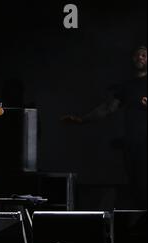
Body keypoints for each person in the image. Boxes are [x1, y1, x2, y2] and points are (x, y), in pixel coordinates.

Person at [62, 46, 147, 209]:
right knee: (136, 187)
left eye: (144, 55)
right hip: (132, 146)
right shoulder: (127, 86)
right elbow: (107, 108)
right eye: (136, 55)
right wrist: (81, 119)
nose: (140, 58)